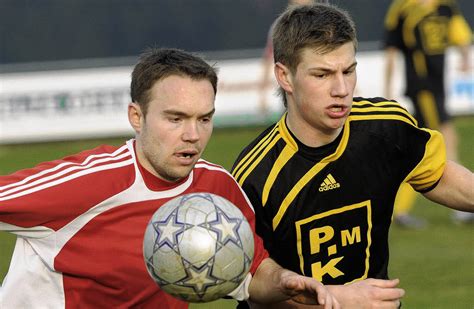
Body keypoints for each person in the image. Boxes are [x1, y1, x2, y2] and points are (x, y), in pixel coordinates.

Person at [0, 48, 340, 308]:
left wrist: (285, 281)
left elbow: (250, 274)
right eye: (175, 119)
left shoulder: (218, 191)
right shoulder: (90, 184)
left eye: (204, 119)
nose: (192, 135)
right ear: (137, 116)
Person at [232, 3, 473, 308]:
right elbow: (251, 285)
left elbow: (438, 174)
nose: (341, 88)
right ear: (285, 76)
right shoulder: (255, 174)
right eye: (322, 74)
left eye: (349, 70)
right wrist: (335, 301)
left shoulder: (386, 127)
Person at [383, 0, 473, 226]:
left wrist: (464, 57)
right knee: (440, 141)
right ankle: (462, 207)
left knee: (423, 145)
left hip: (437, 87)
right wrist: (388, 88)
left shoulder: (445, 6)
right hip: (422, 87)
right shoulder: (403, 9)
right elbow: (391, 49)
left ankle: (397, 210)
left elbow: (461, 34)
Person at [258, 0, 315, 117]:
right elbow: (269, 59)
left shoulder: (323, 24)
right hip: (293, 90)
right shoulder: (281, 27)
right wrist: (262, 95)